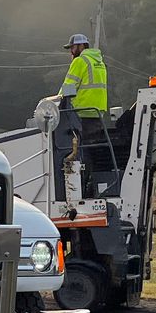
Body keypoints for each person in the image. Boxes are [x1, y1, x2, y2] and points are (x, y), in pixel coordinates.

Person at [52, 33, 108, 201]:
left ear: (81, 46)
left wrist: (56, 104)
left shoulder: (80, 61)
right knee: (90, 152)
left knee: (76, 152)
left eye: (72, 48)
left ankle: (76, 190)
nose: (71, 51)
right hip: (97, 113)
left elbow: (68, 87)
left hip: (80, 112)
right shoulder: (99, 62)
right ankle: (89, 186)